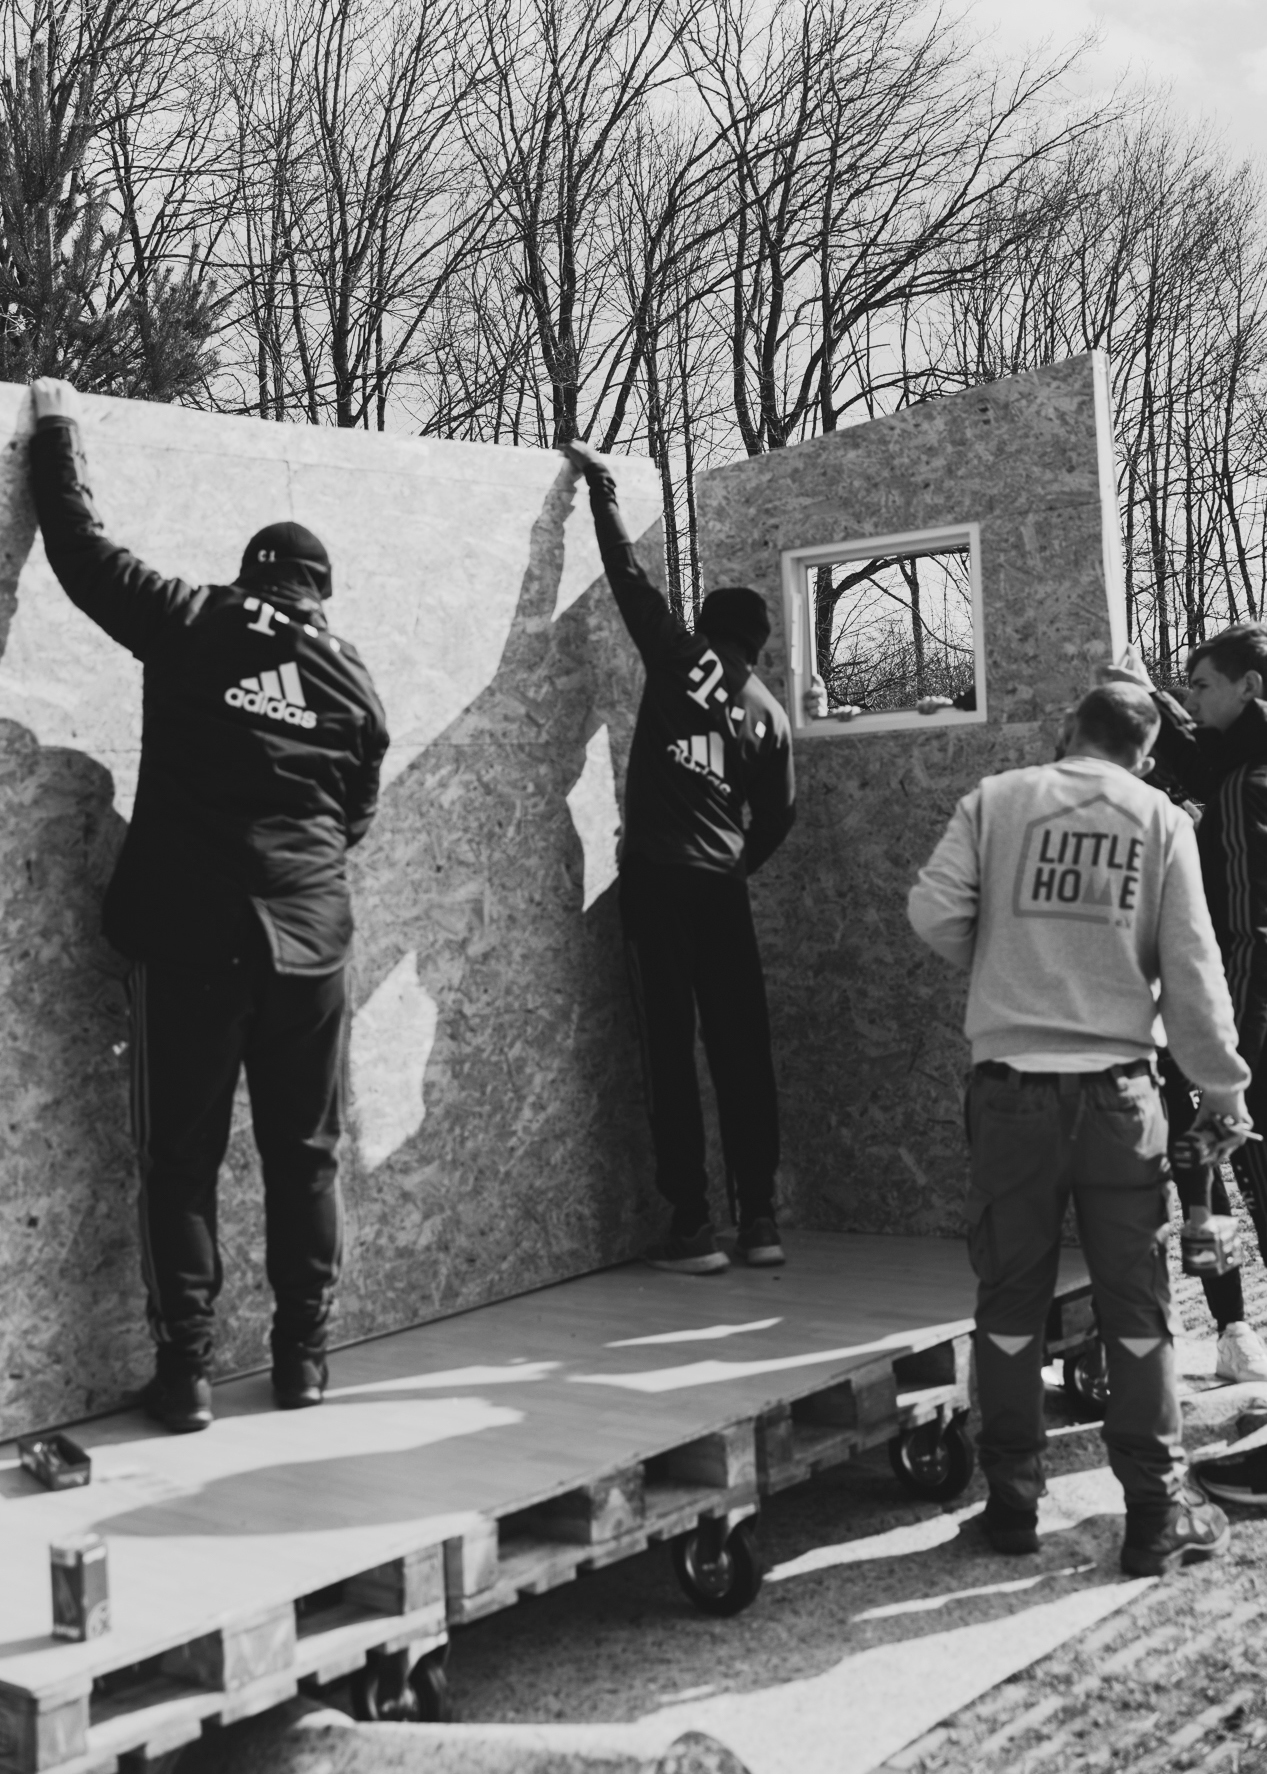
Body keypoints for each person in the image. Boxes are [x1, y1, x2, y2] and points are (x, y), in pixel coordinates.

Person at [28, 378, 390, 1433]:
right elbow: (355, 812)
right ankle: (302, 1360)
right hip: (310, 944)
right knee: (305, 1154)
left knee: (179, 1159)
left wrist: (57, 429)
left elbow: (82, 551)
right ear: (322, 591)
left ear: (253, 576)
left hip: (193, 940)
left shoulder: (194, 619)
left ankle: (186, 1374)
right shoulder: (354, 680)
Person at [908, 682, 1250, 1575]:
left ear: (1067, 733)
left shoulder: (995, 801)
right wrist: (1221, 1088)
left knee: (1009, 1301)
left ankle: (1011, 1505)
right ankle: (1152, 1512)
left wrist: (1004, 964)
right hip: (1116, 1098)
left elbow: (931, 913)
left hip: (1010, 1095)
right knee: (1134, 1306)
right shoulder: (1157, 819)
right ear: (1140, 754)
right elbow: (1190, 965)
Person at [558, 437, 794, 1273]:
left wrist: (599, 488)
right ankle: (759, 1220)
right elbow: (779, 814)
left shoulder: (681, 656)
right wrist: (732, 859)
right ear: (757, 643)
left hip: (659, 880)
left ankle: (693, 1227)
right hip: (721, 891)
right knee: (739, 1049)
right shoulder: (769, 713)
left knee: (670, 1046)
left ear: (709, 627)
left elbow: (627, 579)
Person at [1105, 630, 1267, 1388]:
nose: (1193, 702)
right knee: (1199, 1161)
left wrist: (1208, 1043)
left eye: (1203, 686)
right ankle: (1228, 1322)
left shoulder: (1238, 775)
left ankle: (1233, 1325)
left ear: (1248, 687)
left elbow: (1191, 755)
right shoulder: (1221, 768)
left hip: (1224, 994)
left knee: (1219, 1149)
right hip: (1188, 998)